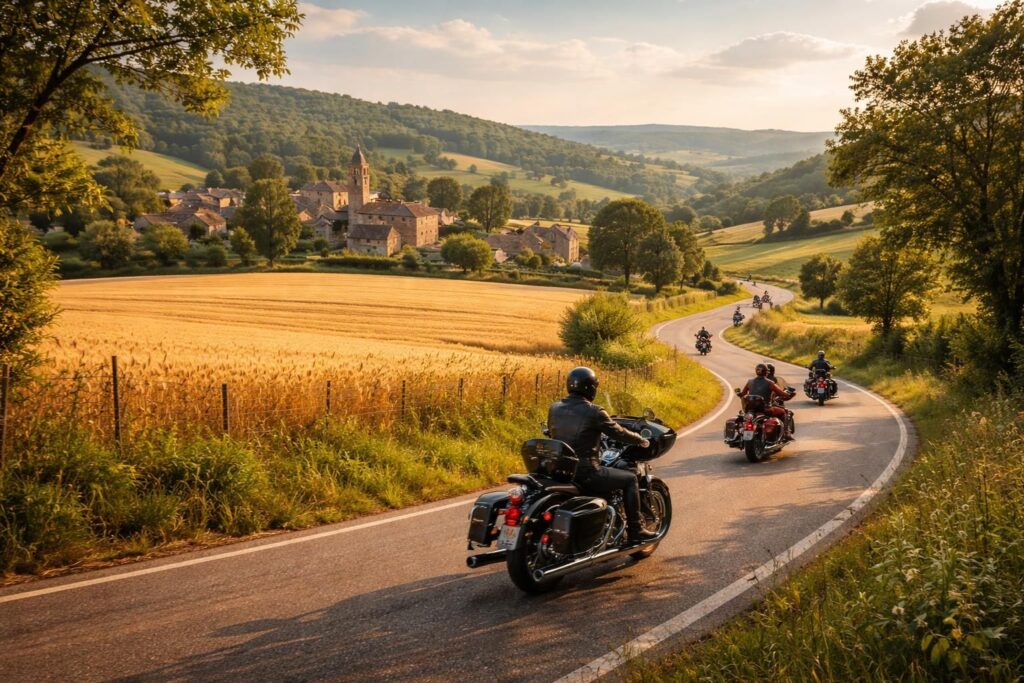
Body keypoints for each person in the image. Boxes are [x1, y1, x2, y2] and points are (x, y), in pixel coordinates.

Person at [547, 367, 656, 543]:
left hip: (561, 471)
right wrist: (639, 439)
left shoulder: (555, 407)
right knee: (630, 479)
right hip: (586, 473)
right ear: (591, 388)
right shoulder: (594, 411)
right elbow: (618, 432)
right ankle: (636, 530)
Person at [738, 363, 793, 440]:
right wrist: (788, 394)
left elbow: (743, 394)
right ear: (766, 372)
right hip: (766, 409)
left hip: (751, 410)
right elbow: (781, 393)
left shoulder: (749, 382)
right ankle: (786, 433)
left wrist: (739, 394)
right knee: (783, 412)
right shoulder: (769, 382)